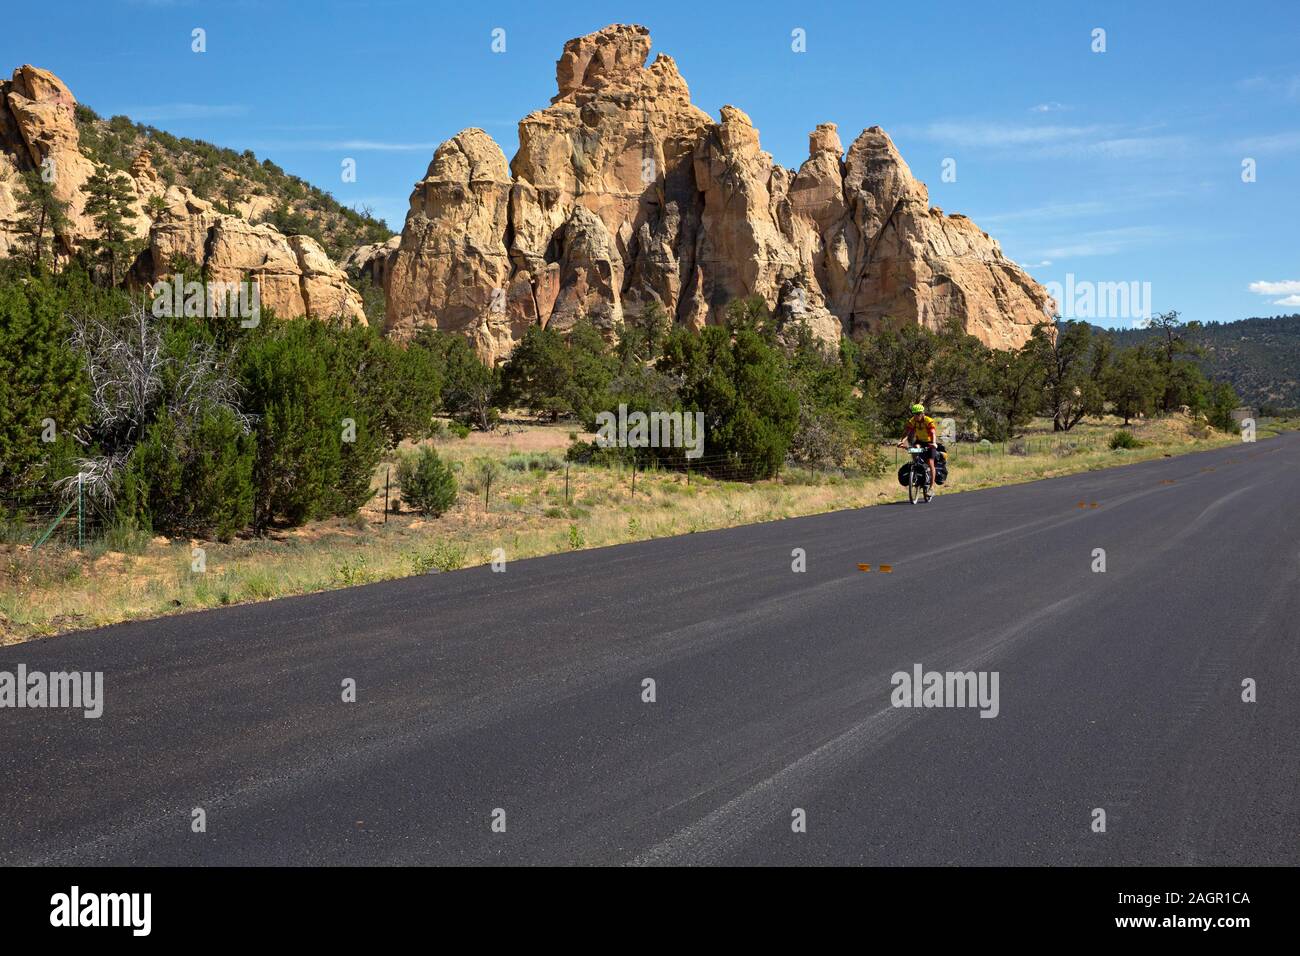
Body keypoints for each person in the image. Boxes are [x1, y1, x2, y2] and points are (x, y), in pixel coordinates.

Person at [897, 403, 939, 494]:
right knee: (915, 448)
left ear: (923, 413)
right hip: (920, 441)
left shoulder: (928, 421)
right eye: (914, 414)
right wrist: (901, 441)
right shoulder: (912, 421)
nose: (916, 416)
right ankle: (916, 468)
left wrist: (934, 443)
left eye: (918, 414)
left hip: (930, 442)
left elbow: (933, 433)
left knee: (930, 462)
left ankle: (931, 488)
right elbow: (906, 432)